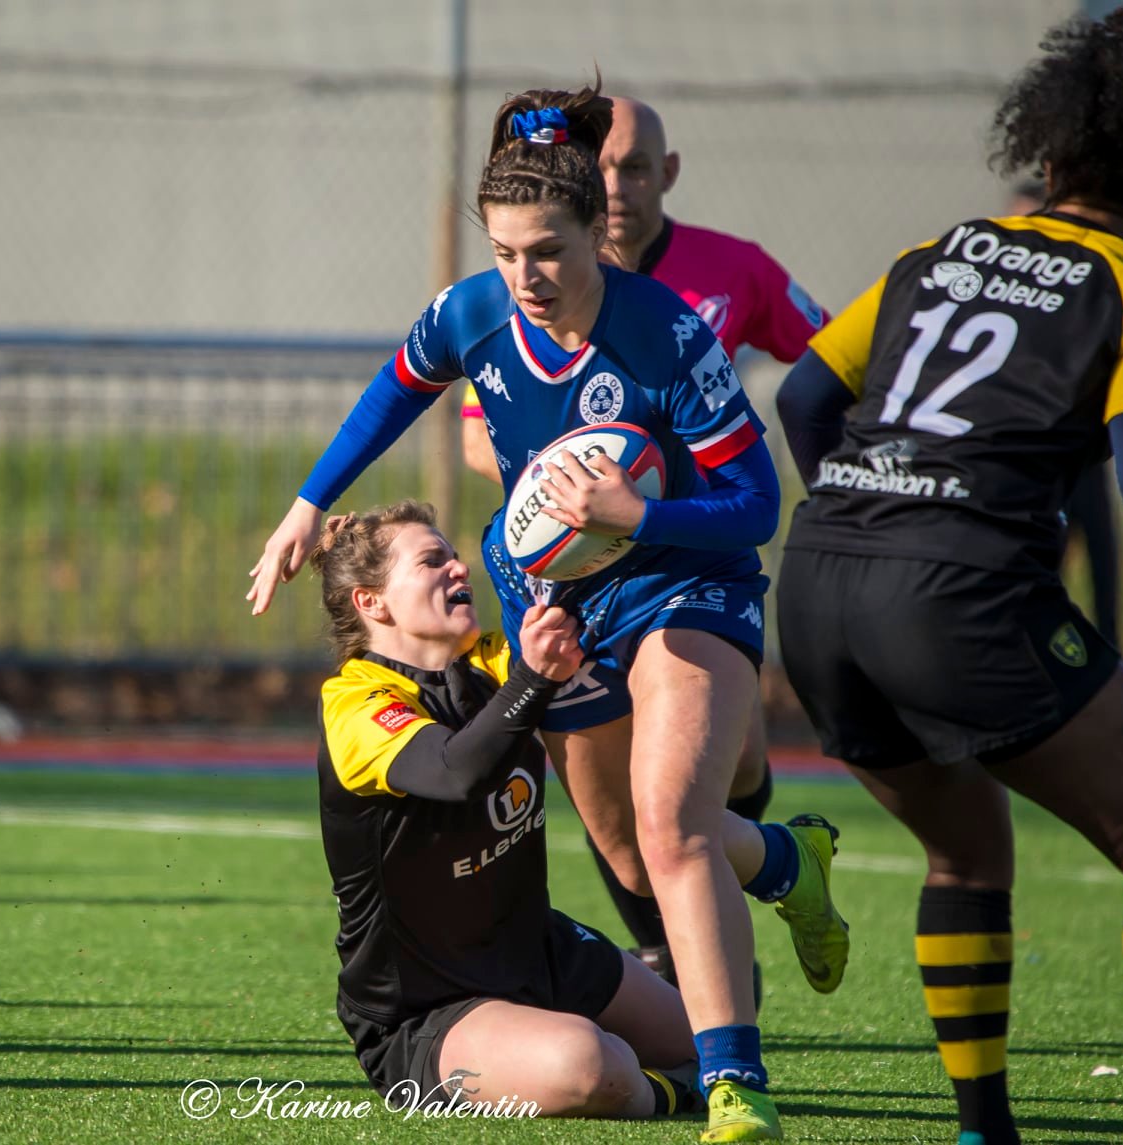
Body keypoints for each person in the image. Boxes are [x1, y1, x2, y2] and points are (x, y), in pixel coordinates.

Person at [249, 82, 850, 1142]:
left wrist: (641, 509)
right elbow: (396, 387)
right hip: (562, 596)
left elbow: (755, 504)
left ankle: (735, 1091)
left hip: (684, 582)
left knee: (670, 825)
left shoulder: (665, 335)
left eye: (547, 250)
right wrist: (308, 502)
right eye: (504, 251)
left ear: (597, 234)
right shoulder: (473, 311)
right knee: (626, 849)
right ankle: (790, 861)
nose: (523, 276)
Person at [773, 6, 1123, 1143]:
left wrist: (874, 514)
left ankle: (983, 1127)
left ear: (1049, 152)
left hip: (819, 584)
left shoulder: (940, 253)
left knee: (963, 845)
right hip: (955, 591)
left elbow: (806, 399)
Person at [461, 95, 829, 989]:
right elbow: (480, 431)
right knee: (627, 825)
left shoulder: (725, 275)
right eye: (606, 165)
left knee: (709, 785)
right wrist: (561, 498)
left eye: (635, 168)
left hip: (688, 561)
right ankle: (678, 956)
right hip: (575, 564)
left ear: (666, 173)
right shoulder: (524, 290)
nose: (619, 185)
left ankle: (743, 907)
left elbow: (826, 364)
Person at [310, 500, 703, 1119]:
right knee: (591, 1067)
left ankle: (626, 1044)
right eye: (432, 561)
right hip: (428, 1007)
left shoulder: (494, 660)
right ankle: (670, 1091)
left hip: (540, 950)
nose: (459, 569)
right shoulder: (356, 702)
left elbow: (595, 642)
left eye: (455, 556)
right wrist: (534, 678)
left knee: (713, 1030)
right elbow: (452, 769)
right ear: (372, 602)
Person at [1009, 179, 1123, 646]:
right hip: (1017, 461)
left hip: (1075, 454)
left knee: (1101, 554)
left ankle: (1109, 652)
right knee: (1031, 570)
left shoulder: (1081, 294)